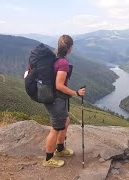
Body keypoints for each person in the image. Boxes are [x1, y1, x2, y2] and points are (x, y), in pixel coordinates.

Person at [42, 35, 85, 167]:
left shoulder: (55, 58)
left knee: (65, 121)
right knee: (55, 128)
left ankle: (60, 149)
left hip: (53, 97)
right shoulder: (63, 63)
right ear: (70, 49)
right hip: (56, 99)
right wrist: (76, 93)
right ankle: (48, 159)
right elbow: (59, 85)